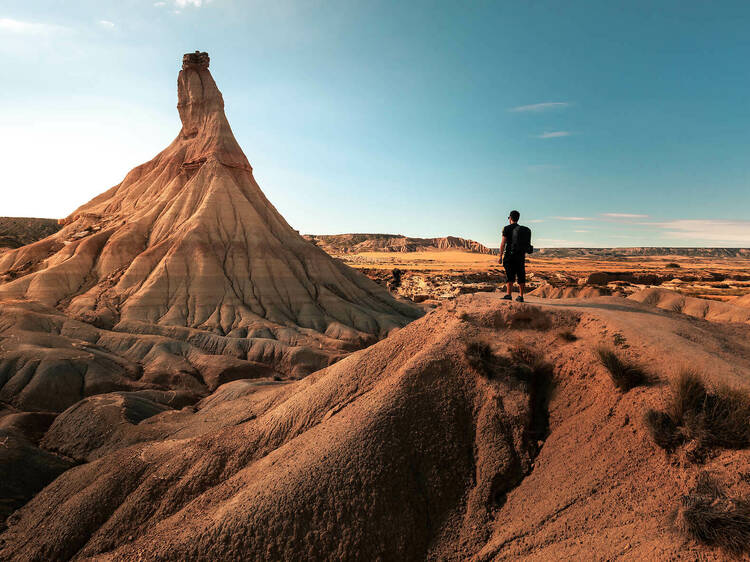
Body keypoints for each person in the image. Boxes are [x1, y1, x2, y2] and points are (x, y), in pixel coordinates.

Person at [499, 210, 532, 302]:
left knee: (510, 275)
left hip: (509, 255)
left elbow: (503, 243)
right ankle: (521, 296)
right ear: (518, 218)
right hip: (520, 256)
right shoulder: (522, 230)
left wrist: (500, 256)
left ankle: (508, 295)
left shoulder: (506, 228)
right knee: (521, 274)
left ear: (510, 218)